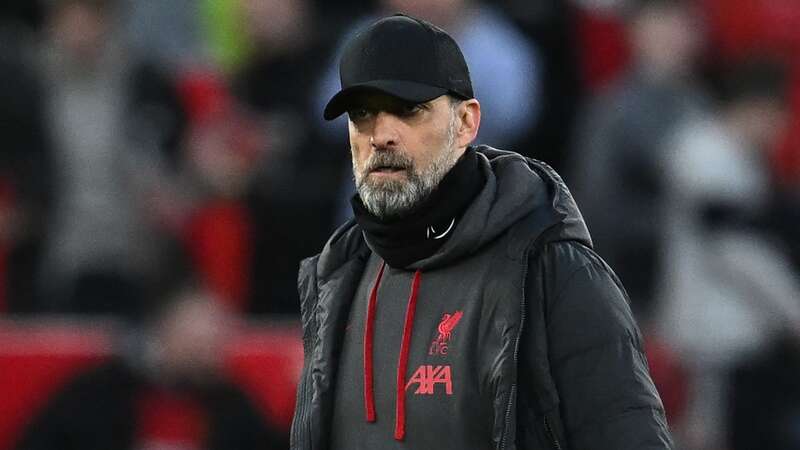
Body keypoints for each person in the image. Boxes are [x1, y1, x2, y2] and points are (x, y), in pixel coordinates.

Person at [290, 13, 672, 450]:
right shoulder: (337, 276)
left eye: (408, 110)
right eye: (363, 115)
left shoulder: (553, 272)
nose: (381, 135)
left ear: (467, 123)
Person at [15, 276, 287, 450]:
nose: (214, 350)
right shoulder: (98, 391)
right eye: (200, 338)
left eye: (217, 338)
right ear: (166, 328)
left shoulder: (229, 400)